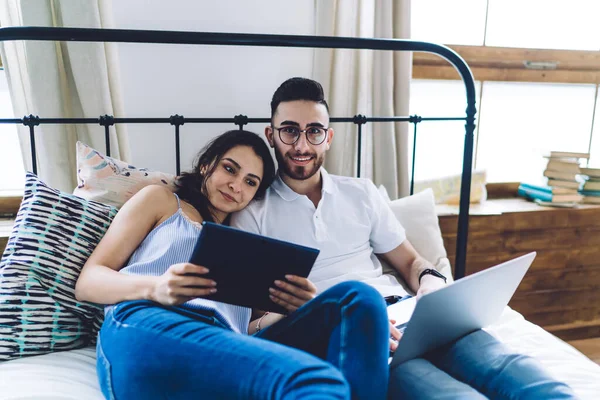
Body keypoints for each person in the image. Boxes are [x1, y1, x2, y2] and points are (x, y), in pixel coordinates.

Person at [231, 78, 577, 399]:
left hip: (411, 315)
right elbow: (252, 322)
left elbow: (411, 261)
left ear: (329, 137)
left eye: (314, 131)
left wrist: (430, 284)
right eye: (290, 131)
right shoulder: (252, 211)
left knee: (524, 377)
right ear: (271, 134)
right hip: (352, 337)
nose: (302, 144)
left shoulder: (361, 193)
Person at [75, 129, 391, 400]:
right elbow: (87, 283)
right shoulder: (161, 201)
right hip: (147, 326)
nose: (236, 185)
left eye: (250, 182)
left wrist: (294, 309)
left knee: (359, 298)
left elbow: (247, 328)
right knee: (313, 381)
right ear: (206, 164)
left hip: (226, 343)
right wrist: (155, 287)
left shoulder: (245, 244)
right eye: (230, 169)